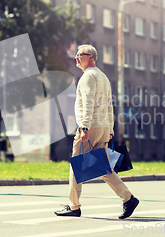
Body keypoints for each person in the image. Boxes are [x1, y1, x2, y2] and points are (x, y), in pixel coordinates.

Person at [54, 45, 139, 219]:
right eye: (76, 55)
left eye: (81, 55)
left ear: (91, 57)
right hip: (103, 128)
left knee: (76, 165)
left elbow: (88, 103)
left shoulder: (88, 77)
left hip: (90, 127)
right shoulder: (103, 77)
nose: (77, 57)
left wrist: (84, 126)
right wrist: (110, 128)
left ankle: (74, 206)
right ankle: (128, 198)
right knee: (102, 167)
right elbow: (109, 105)